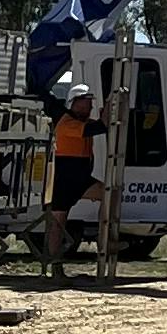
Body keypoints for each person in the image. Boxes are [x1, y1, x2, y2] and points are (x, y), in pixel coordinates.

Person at [42, 76, 98, 283]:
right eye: (87, 103)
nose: (90, 107)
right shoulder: (67, 124)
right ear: (75, 103)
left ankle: (107, 241)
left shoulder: (82, 121)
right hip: (63, 181)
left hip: (81, 179)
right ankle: (55, 266)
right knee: (57, 224)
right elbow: (97, 128)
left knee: (110, 194)